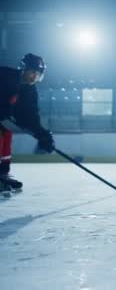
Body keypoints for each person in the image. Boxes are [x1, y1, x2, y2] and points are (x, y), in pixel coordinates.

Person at [0, 53, 55, 196]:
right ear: (23, 69)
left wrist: (42, 134)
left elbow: (30, 117)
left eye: (38, 74)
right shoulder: (5, 75)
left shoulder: (30, 91)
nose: (34, 77)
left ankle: (3, 174)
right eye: (32, 72)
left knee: (6, 134)